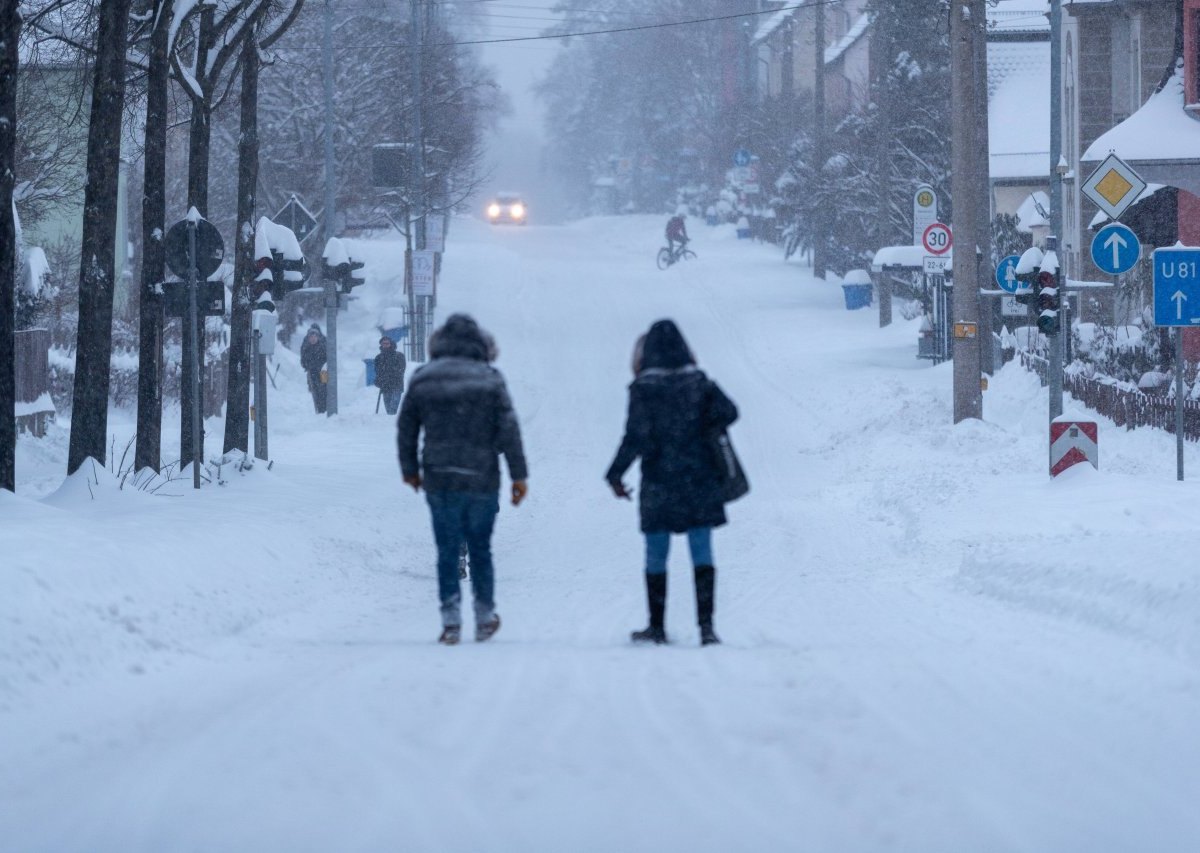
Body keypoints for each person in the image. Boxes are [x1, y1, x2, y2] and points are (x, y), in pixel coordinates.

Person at [397, 313, 529, 645]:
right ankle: (484, 617)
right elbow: (509, 429)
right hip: (480, 474)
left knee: (446, 547)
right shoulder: (490, 379)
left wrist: (410, 469)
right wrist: (518, 475)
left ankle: (451, 620)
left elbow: (407, 427)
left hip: (439, 474)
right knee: (481, 548)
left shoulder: (424, 377)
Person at [606, 319, 738, 646]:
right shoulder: (700, 384)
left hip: (659, 481)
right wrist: (702, 426)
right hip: (699, 478)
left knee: (656, 552)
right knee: (702, 551)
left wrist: (615, 473)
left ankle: (657, 627)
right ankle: (706, 629)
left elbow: (633, 437)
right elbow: (730, 411)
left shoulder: (643, 389)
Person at [374, 335, 407, 415]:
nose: (385, 345)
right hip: (385, 386)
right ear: (381, 345)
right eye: (383, 344)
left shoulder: (399, 356)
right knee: (388, 409)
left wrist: (390, 374)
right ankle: (390, 424)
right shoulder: (378, 358)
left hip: (397, 385)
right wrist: (378, 380)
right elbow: (377, 371)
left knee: (393, 408)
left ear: (391, 344)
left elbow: (401, 369)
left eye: (387, 343)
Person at [300, 324, 328, 414]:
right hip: (312, 372)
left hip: (323, 372)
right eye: (311, 337)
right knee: (315, 391)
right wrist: (308, 366)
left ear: (318, 336)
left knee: (324, 390)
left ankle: (325, 409)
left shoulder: (323, 344)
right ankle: (319, 410)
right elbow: (303, 360)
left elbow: (328, 357)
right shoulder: (306, 346)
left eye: (314, 336)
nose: (313, 338)